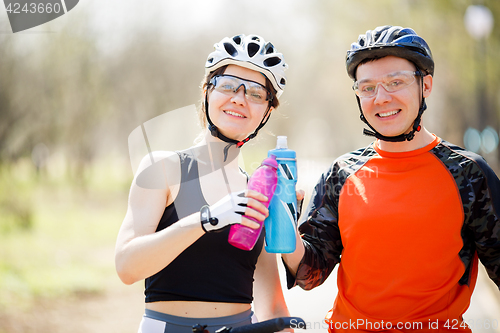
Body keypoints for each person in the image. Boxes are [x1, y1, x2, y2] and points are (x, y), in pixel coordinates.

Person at [282, 25, 500, 332]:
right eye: (367, 88)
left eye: (395, 82)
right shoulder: (341, 174)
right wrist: (284, 229)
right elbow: (310, 274)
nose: (381, 98)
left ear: (426, 85)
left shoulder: (468, 173)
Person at [115, 34, 291, 333]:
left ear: (267, 111)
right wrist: (206, 219)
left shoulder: (260, 193)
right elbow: (127, 267)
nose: (239, 98)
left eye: (256, 93)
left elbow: (271, 304)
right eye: (227, 85)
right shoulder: (164, 168)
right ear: (207, 92)